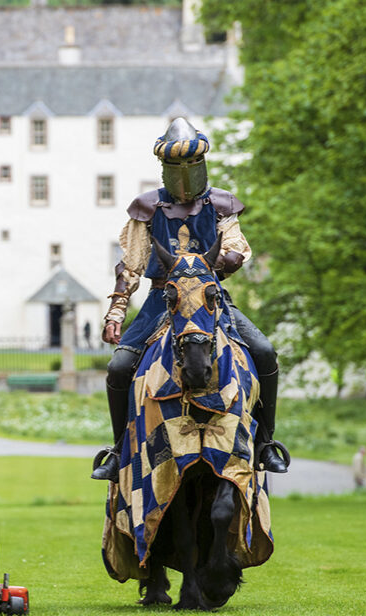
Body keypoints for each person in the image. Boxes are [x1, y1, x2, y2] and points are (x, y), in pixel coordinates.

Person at [91, 117, 289, 482]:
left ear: (202, 164)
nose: (184, 174)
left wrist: (220, 262)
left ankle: (265, 443)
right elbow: (132, 264)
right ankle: (119, 449)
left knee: (262, 351)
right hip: (161, 299)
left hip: (209, 296)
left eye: (191, 165)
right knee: (119, 368)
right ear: (164, 168)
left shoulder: (220, 204)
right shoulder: (147, 208)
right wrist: (116, 311)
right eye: (175, 166)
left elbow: (235, 248)